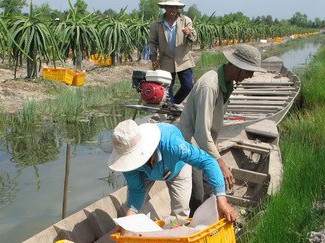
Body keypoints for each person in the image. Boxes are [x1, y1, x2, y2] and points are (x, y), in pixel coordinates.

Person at [177, 44, 266, 212]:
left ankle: (207, 221)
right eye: (248, 71)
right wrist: (221, 163)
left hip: (205, 145)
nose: (250, 76)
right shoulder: (209, 86)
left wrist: (215, 147)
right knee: (197, 195)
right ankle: (195, 227)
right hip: (191, 145)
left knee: (211, 189)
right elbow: (202, 132)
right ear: (237, 67)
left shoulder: (227, 83)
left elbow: (211, 125)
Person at [108, 119, 237, 223]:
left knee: (180, 213)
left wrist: (222, 201)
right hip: (145, 172)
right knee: (132, 214)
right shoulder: (129, 164)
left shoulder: (173, 145)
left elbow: (208, 162)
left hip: (176, 166)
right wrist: (129, 217)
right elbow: (136, 189)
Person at [149, 0, 197, 105]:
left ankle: (174, 103)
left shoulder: (185, 20)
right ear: (165, 8)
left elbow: (194, 38)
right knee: (167, 89)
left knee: (188, 85)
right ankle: (169, 108)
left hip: (183, 59)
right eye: (171, 7)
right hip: (166, 60)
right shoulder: (156, 24)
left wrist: (189, 33)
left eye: (175, 7)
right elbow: (152, 42)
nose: (173, 10)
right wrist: (153, 58)